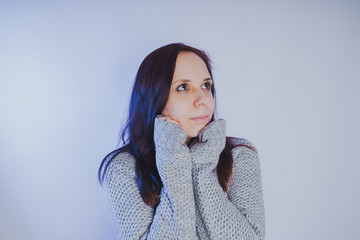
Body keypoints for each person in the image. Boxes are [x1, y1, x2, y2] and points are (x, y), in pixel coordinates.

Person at [98, 43, 265, 239]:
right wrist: (174, 162)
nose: (202, 99)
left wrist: (200, 167)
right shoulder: (123, 167)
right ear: (155, 99)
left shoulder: (240, 154)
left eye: (206, 85)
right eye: (183, 87)